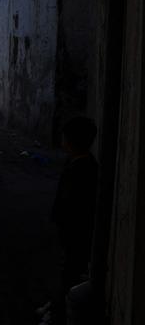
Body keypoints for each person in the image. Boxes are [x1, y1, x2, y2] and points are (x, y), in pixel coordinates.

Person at [47, 116, 98, 324]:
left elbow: (73, 204)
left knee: (70, 270)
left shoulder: (83, 168)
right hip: (71, 229)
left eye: (64, 137)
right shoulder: (78, 162)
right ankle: (58, 307)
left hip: (75, 231)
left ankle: (60, 312)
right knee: (69, 268)